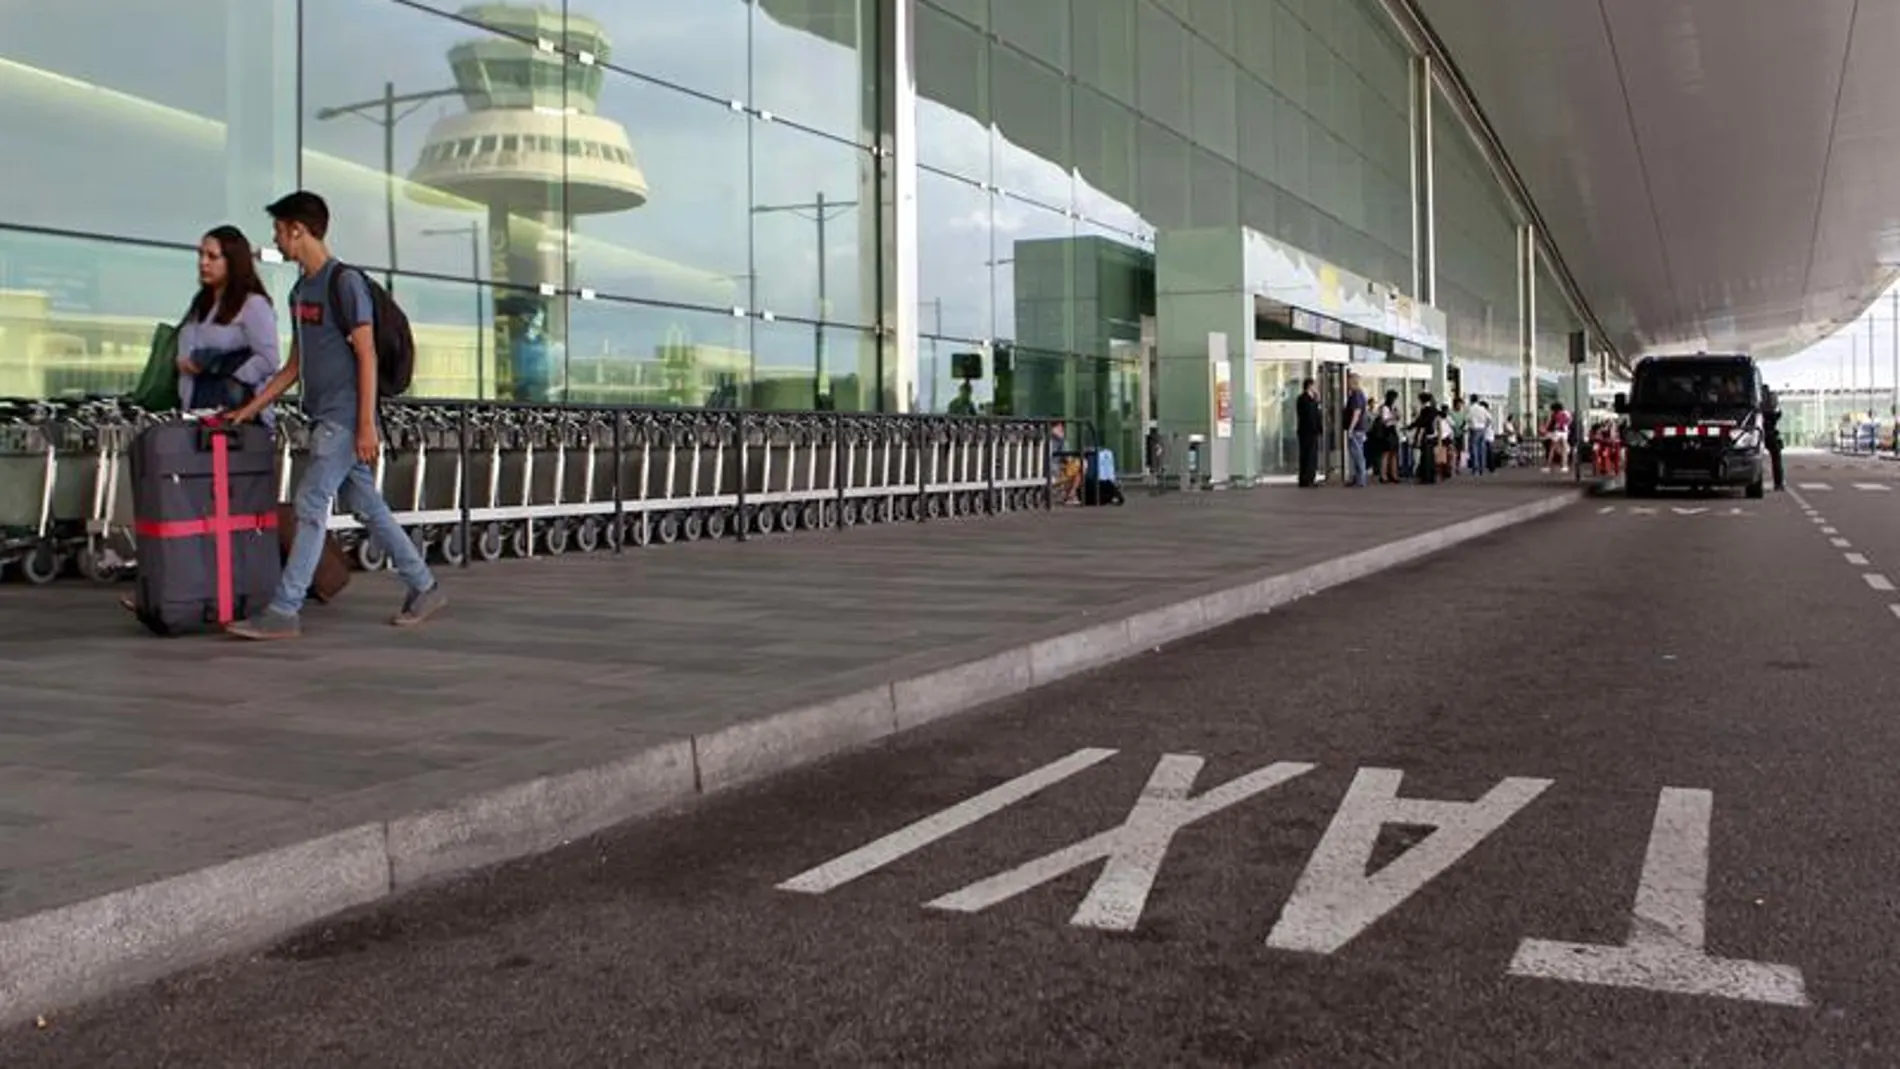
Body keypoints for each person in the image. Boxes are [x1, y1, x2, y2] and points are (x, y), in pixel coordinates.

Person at [224, 190, 446, 640]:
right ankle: (424, 584)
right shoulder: (299, 291)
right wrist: (249, 409)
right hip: (323, 414)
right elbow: (294, 366)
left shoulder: (345, 284)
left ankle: (284, 610)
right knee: (367, 506)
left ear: (298, 230)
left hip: (344, 418)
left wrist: (366, 424)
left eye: (279, 231)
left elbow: (367, 356)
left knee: (309, 502)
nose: (277, 240)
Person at [178, 226, 280, 416]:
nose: (203, 263)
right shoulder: (201, 304)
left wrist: (231, 377)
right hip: (195, 410)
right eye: (200, 254)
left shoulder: (253, 305)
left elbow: (269, 360)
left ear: (233, 261)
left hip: (233, 414)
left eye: (212, 256)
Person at [1296, 378, 1323, 488]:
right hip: (1307, 431)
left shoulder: (1311, 399)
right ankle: (1306, 479)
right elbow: (1310, 415)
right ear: (1309, 386)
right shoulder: (1304, 399)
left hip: (1311, 431)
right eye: (1314, 385)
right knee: (1308, 455)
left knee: (1311, 455)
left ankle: (1309, 478)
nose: (1316, 388)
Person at [1343, 373, 1369, 487]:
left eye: (1348, 381)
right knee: (1356, 454)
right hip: (1359, 428)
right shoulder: (1358, 394)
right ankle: (1357, 478)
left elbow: (1356, 412)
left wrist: (1351, 428)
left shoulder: (1356, 395)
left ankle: (1360, 479)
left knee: (1357, 454)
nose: (1347, 384)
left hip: (1357, 429)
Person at [1763, 388, 1785, 491]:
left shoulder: (1759, 403)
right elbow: (1778, 414)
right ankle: (1778, 484)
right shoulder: (1772, 412)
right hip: (1770, 434)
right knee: (1776, 457)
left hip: (1759, 432)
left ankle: (1778, 483)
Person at [1466, 395, 1492, 475]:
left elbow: (1467, 419)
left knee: (1474, 448)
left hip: (1474, 429)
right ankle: (1482, 468)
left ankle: (1475, 468)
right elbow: (1490, 418)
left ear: (1471, 400)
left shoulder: (1471, 408)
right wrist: (1485, 426)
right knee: (1482, 448)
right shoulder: (1482, 408)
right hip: (1482, 429)